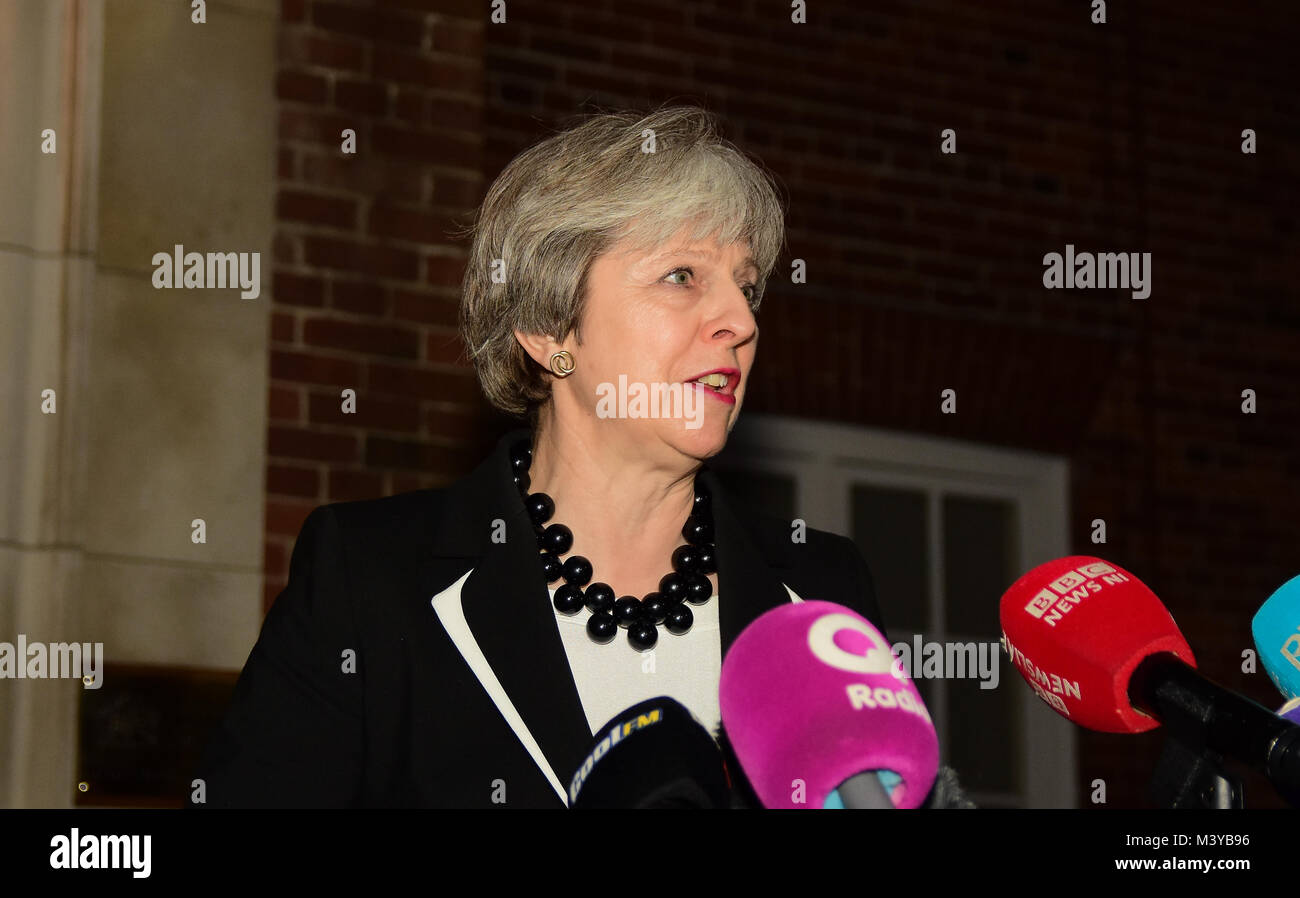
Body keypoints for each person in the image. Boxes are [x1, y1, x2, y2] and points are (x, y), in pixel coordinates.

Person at [190, 104, 970, 808]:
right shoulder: (371, 580)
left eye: (748, 286)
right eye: (681, 277)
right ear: (551, 330)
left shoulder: (820, 592)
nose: (738, 317)